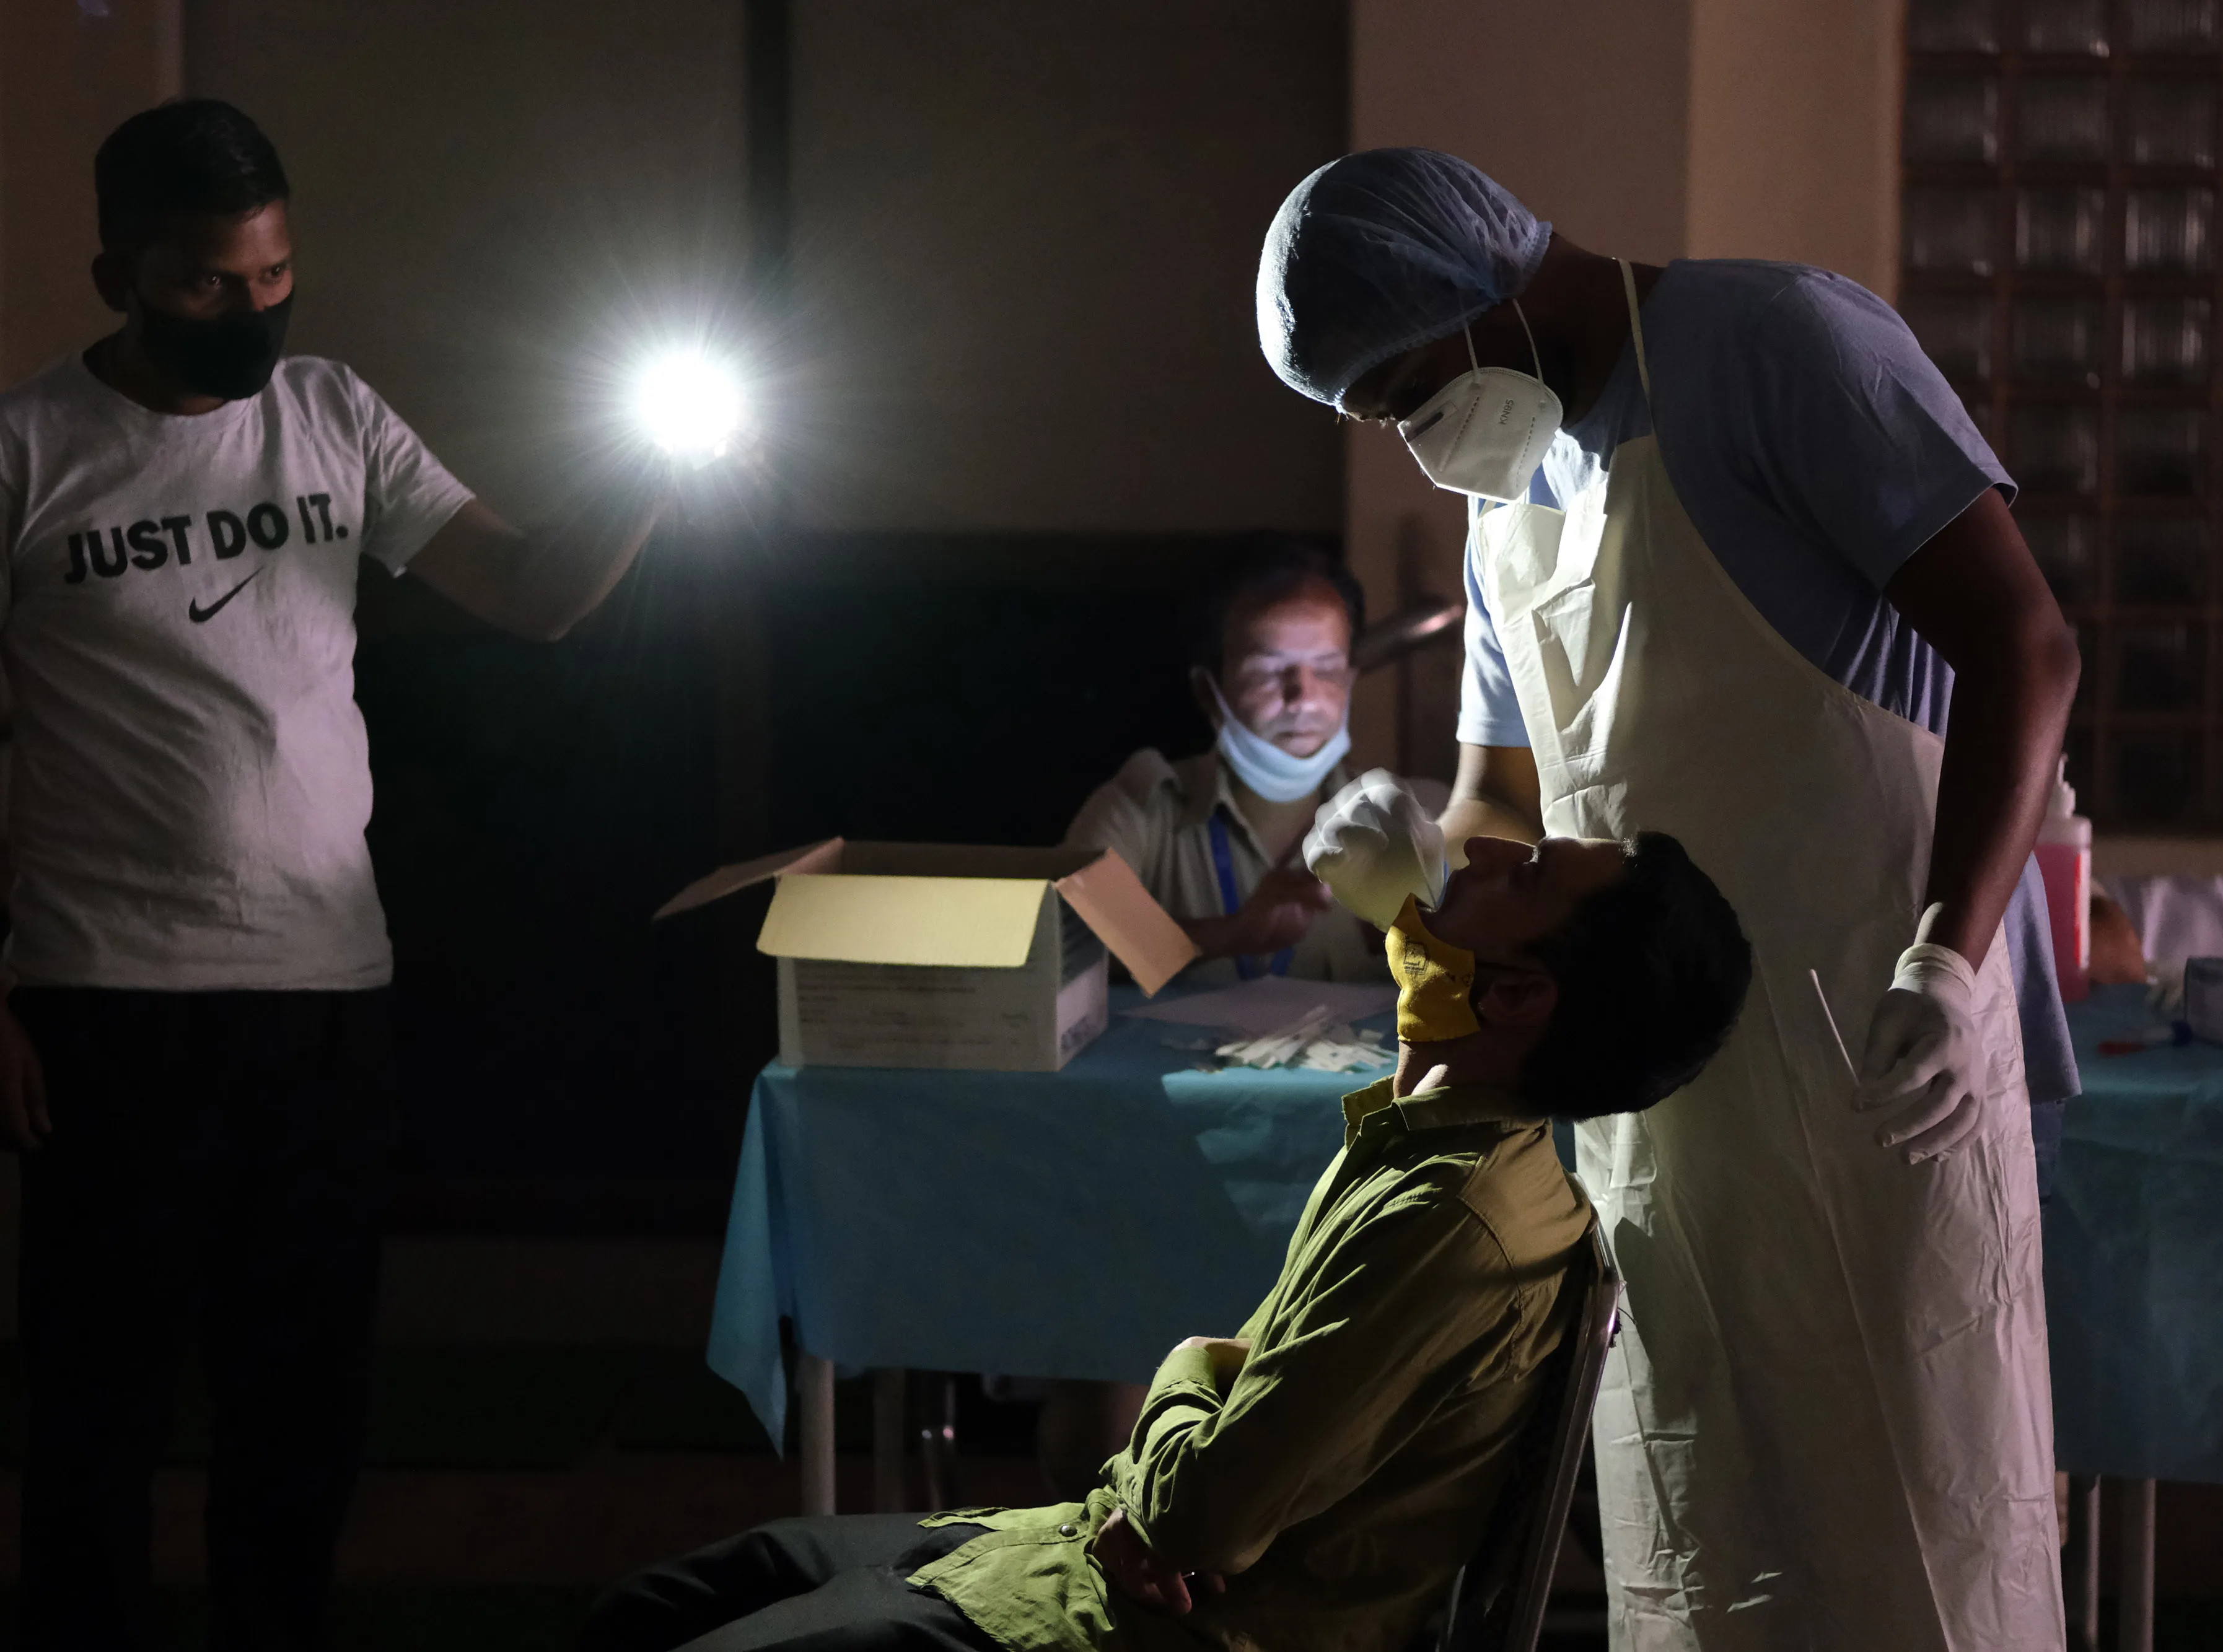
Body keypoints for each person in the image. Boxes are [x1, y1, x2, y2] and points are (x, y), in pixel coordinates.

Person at [1256, 148, 2084, 1651]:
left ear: (1473, 294)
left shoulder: (1776, 347)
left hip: (1881, 1062)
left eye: (1408, 396)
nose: (1419, 446)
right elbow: (1503, 799)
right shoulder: (1509, 499)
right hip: (1661, 1122)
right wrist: (1420, 868)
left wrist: (1955, 962)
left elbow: (2022, 645)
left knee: (1916, 1535)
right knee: (1713, 1552)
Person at [0, 100, 678, 1650]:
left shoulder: (333, 412)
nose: (252, 310)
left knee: (299, 1415)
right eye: (207, 283)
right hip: (105, 999)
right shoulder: (27, 450)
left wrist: (658, 466)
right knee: (96, 1420)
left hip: (322, 992)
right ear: (117, 275)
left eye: (274, 276)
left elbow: (531, 591)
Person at [581, 831, 1752, 1652]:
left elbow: (1202, 1521)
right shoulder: (1426, 1141)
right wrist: (1174, 1470)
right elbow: (1216, 1478)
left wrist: (1187, 1372)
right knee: (655, 1604)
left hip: (1168, 1626)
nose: (1486, 849)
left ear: (1520, 998)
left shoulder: (1449, 1219)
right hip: (1099, 1557)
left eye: (1528, 871)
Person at [1064, 536, 1392, 987]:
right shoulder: (1142, 808)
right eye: (1268, 672)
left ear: (1350, 681)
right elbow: (1065, 943)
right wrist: (1226, 934)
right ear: (1208, 691)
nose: (1303, 698)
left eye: (1327, 671)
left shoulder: (1402, 821)